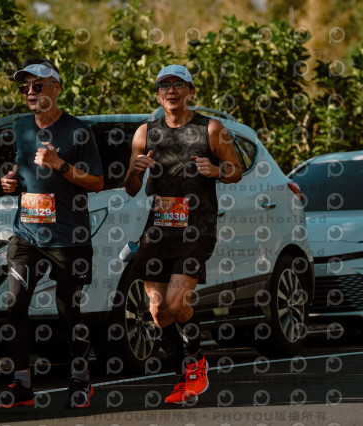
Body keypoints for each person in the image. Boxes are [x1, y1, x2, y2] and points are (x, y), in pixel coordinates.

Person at [0, 58, 104, 409]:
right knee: (14, 305)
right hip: (26, 234)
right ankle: (22, 385)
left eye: (37, 86)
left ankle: (81, 380)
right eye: (24, 87)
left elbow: (97, 182)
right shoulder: (21, 127)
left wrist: (61, 165)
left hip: (68, 237)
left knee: (68, 311)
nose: (29, 92)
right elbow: (23, 166)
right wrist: (10, 179)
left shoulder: (78, 130)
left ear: (56, 88)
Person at [125, 64, 243, 405]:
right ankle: (182, 375)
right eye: (165, 86)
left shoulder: (211, 128)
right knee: (158, 311)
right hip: (159, 228)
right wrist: (135, 171)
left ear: (191, 92)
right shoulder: (145, 133)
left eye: (178, 84)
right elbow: (130, 187)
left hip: (197, 227)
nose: (171, 91)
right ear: (158, 95)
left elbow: (235, 169)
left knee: (177, 302)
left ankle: (197, 360)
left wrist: (217, 170)